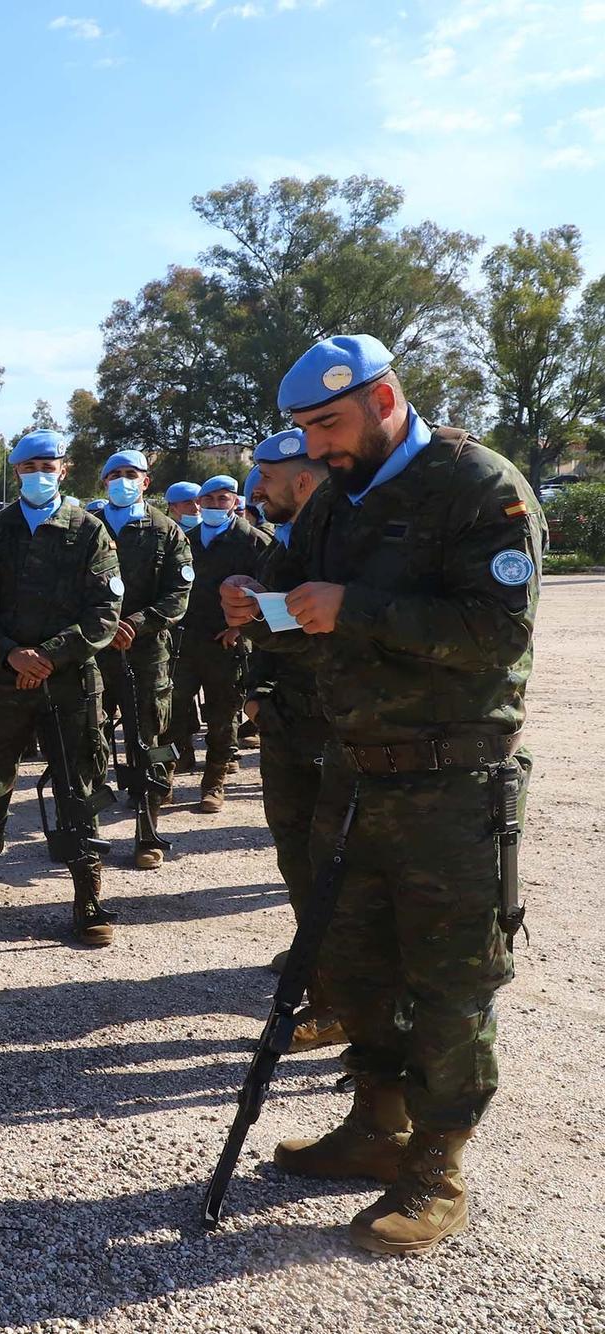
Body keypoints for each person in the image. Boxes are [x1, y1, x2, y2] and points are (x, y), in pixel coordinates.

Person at [223, 334, 542, 1256]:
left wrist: (350, 607)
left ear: (386, 398)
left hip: (454, 782)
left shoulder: (481, 488)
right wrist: (260, 605)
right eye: (304, 432)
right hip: (352, 774)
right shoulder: (333, 504)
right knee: (353, 964)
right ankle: (378, 1125)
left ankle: (438, 1163)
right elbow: (299, 616)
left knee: (450, 980)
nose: (317, 447)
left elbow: (496, 629)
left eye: (329, 424)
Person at [0, 430, 122, 945]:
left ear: (65, 467)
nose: (40, 472)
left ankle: (89, 896)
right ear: (16, 472)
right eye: (29, 465)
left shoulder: (89, 531)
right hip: (5, 684)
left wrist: (49, 656)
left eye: (49, 463)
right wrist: (11, 652)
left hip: (70, 685)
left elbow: (105, 612)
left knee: (77, 787)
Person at [241, 428, 342, 1050]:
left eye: (267, 479)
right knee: (300, 859)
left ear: (302, 480)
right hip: (290, 724)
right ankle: (318, 964)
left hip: (334, 729)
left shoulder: (346, 539)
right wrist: (257, 682)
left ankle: (337, 1001)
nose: (258, 490)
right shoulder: (295, 535)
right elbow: (275, 621)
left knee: (333, 867)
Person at [95, 449, 193, 870]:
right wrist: (99, 627)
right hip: (93, 653)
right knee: (87, 739)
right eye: (114, 474)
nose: (122, 480)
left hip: (146, 653)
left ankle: (146, 831)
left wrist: (135, 621)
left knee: (148, 741)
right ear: (103, 483)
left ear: (146, 481)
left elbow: (178, 594)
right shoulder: (86, 527)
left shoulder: (166, 530)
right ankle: (84, 832)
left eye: (130, 473)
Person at [162, 473, 270, 813]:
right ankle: (165, 779)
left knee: (223, 717)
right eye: (208, 500)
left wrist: (240, 629)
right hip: (186, 639)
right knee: (173, 712)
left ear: (235, 502)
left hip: (228, 643)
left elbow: (266, 592)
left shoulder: (252, 541)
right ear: (199, 503)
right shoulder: (184, 538)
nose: (214, 505)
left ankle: (214, 783)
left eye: (223, 499)